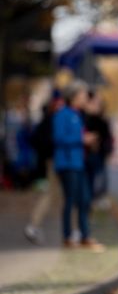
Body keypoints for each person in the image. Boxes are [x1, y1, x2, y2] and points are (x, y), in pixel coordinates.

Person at [53, 80, 103, 249]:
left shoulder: (78, 114)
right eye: (82, 95)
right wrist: (81, 140)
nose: (85, 98)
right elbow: (59, 138)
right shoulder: (62, 114)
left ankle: (85, 236)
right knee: (70, 200)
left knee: (85, 199)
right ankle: (67, 236)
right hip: (67, 163)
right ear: (73, 97)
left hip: (78, 163)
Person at [24, 90, 64, 245]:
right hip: (55, 160)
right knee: (53, 194)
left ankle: (35, 225)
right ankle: (34, 225)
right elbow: (38, 140)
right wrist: (50, 152)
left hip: (52, 159)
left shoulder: (49, 118)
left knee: (55, 194)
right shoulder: (52, 120)